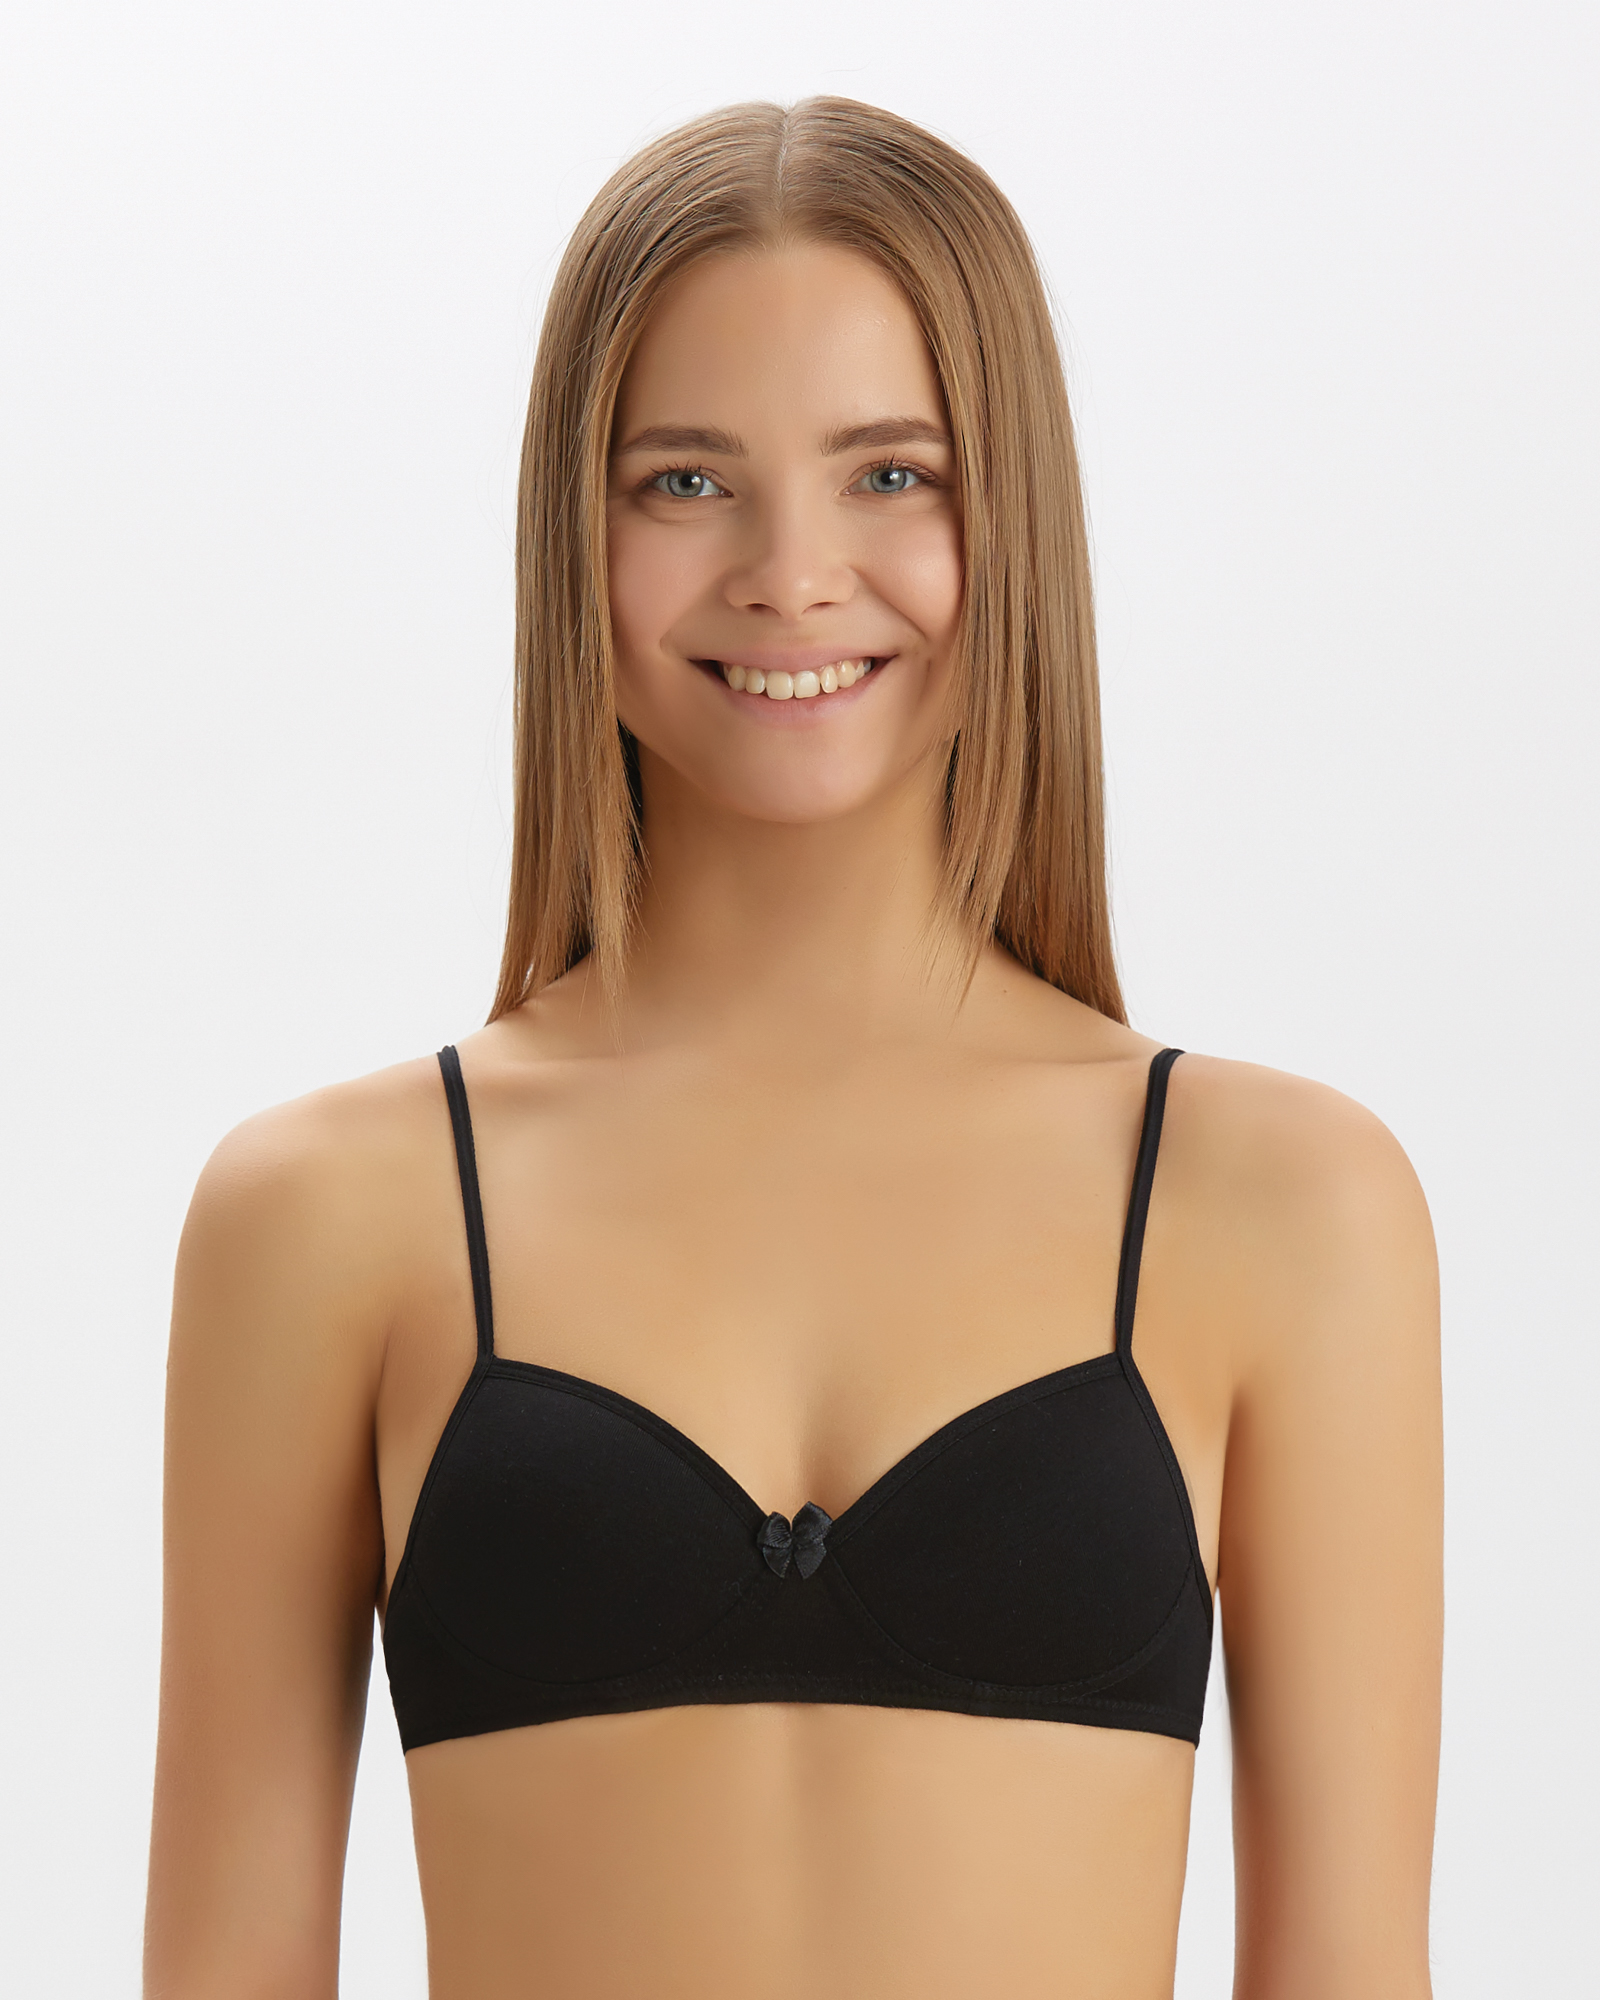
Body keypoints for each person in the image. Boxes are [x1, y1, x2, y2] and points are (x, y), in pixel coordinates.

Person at [143, 97, 1442, 2000]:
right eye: (686, 481)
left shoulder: (1284, 1203)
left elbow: (1348, 1968)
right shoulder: (324, 1214)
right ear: (572, 533)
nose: (791, 571)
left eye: (890, 472)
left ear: (1010, 515)